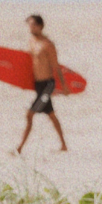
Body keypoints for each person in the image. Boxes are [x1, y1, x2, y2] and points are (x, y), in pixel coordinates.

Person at [17, 14, 68, 153]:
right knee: (51, 114)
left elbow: (56, 66)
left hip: (47, 85)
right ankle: (64, 146)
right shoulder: (32, 42)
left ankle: (19, 148)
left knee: (30, 114)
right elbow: (30, 64)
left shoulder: (48, 44)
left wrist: (63, 86)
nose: (30, 27)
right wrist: (22, 82)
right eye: (29, 25)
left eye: (33, 25)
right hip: (38, 84)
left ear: (40, 26)